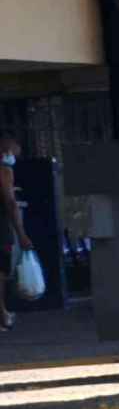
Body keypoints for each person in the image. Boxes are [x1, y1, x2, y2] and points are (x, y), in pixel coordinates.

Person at [0, 134, 31, 331]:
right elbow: (11, 204)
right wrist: (21, 233)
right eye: (13, 153)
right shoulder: (4, 171)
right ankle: (2, 314)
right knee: (1, 272)